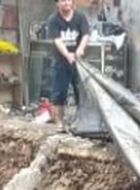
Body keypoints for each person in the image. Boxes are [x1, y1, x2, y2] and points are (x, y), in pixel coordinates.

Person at [47, 0, 90, 129]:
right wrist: (67, 54)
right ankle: (59, 121)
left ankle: (83, 121)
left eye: (68, 0)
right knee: (59, 93)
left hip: (79, 62)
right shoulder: (53, 20)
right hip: (61, 62)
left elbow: (85, 35)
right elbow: (57, 40)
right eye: (62, 0)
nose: (66, 3)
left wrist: (80, 49)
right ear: (57, 3)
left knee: (81, 91)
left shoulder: (80, 17)